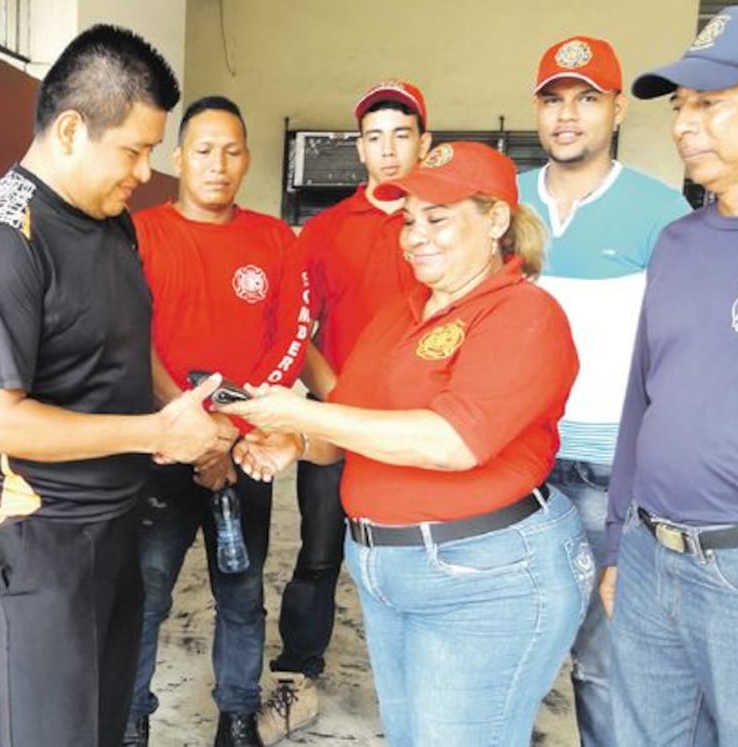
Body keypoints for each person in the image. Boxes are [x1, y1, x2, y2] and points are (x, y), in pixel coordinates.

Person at [221, 141, 591, 747]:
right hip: (390, 571)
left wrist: (304, 414)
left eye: (437, 219)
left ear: (496, 220)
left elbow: (453, 442)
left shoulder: (524, 314)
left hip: (484, 579)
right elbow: (346, 424)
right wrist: (295, 439)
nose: (415, 235)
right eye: (409, 219)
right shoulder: (401, 313)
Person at [0, 24, 228, 747]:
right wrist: (157, 434)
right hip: (36, 534)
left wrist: (180, 412)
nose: (143, 170)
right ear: (71, 129)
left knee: (100, 723)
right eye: (132, 149)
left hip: (115, 516)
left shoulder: (112, 223)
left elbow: (128, 348)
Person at [602, 6, 738, 744]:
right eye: (681, 107)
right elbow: (643, 398)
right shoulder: (678, 242)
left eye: (712, 105)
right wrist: (617, 543)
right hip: (650, 557)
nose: (685, 125)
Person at [517, 35, 690, 745]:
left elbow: (678, 351)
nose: (569, 116)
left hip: (606, 471)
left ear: (617, 109)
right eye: (555, 99)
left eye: (587, 99)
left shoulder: (663, 210)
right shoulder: (503, 201)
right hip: (512, 464)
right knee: (508, 652)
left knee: (603, 661)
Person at [123, 96, 309, 747]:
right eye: (204, 149)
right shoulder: (139, 232)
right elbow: (128, 333)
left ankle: (236, 715)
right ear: (177, 158)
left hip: (244, 446)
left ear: (248, 158)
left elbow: (291, 337)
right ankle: (130, 719)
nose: (218, 163)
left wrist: (228, 429)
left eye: (232, 150)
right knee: (144, 591)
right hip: (160, 447)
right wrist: (188, 422)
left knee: (242, 586)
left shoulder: (275, 239)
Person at [258, 79, 430, 744]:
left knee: (419, 555)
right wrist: (340, 403)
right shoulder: (325, 232)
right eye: (375, 137)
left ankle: (422, 683)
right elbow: (298, 333)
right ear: (358, 148)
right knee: (320, 553)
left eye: (402, 135)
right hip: (335, 422)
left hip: (418, 428)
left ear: (425, 141)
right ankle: (297, 677)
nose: (388, 151)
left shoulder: (439, 226)